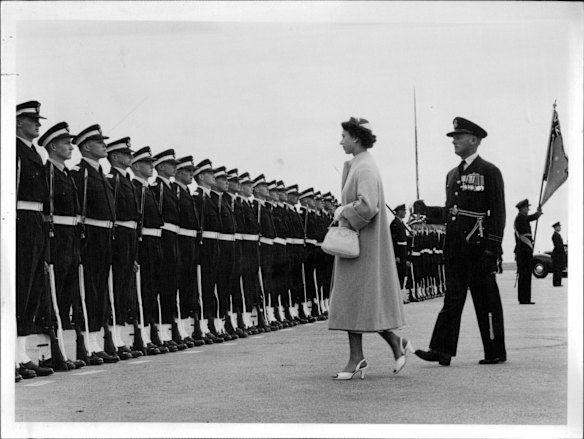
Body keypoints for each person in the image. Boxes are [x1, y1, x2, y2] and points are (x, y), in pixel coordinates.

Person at [415, 116, 507, 366]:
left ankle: (495, 351)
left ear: (474, 140)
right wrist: (430, 211)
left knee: (486, 300)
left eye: (459, 136)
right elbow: (451, 211)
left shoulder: (489, 171)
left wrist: (493, 248)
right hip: (456, 248)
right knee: (452, 299)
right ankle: (441, 350)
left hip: (478, 249)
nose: (454, 140)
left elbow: (498, 213)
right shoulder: (452, 175)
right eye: (454, 137)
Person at [328, 117, 411, 380]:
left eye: (344, 136)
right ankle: (382, 347)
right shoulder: (360, 164)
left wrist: (343, 210)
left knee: (358, 301)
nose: (341, 141)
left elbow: (368, 206)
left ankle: (360, 357)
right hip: (358, 244)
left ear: (356, 137)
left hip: (361, 246)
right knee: (359, 303)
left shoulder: (364, 167)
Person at [71, 124, 120, 364]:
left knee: (100, 289)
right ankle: (87, 345)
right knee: (89, 288)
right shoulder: (81, 173)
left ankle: (96, 340)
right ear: (87, 146)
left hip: (105, 236)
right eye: (100, 142)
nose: (104, 146)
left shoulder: (101, 173)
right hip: (90, 235)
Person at [15, 101, 55, 381]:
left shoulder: (35, 153)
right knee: (19, 287)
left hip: (36, 222)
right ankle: (11, 357)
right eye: (32, 120)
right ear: (18, 122)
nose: (38, 124)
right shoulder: (13, 149)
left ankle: (21, 355)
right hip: (19, 220)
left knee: (31, 289)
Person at [513, 199, 542, 304]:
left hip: (525, 250)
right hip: (523, 251)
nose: (528, 209)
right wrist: (538, 213)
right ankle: (524, 299)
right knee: (524, 275)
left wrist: (537, 213)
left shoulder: (522, 218)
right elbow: (530, 218)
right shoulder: (520, 218)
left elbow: (529, 218)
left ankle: (525, 298)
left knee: (526, 275)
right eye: (527, 207)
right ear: (522, 209)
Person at [390, 204, 409, 288]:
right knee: (399, 273)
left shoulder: (401, 223)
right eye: (404, 211)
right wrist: (396, 255)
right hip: (399, 252)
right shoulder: (395, 224)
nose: (405, 213)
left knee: (402, 273)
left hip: (403, 252)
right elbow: (393, 241)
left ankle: (401, 291)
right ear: (399, 212)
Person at [551, 222, 566, 287]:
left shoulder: (557, 235)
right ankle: (556, 283)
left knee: (559, 269)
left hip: (559, 254)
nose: (560, 228)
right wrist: (564, 246)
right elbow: (558, 245)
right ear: (556, 227)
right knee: (557, 269)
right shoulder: (555, 235)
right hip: (557, 254)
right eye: (559, 226)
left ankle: (558, 282)